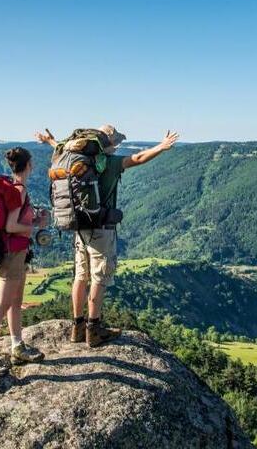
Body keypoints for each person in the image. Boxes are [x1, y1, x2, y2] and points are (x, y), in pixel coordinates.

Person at [36, 125, 179, 347]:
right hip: (101, 229)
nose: (117, 146)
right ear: (108, 144)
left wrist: (50, 141)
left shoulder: (75, 158)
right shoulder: (109, 163)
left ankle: (77, 326)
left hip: (78, 225)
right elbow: (139, 158)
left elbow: (61, 147)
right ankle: (94, 329)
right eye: (116, 143)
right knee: (99, 279)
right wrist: (162, 146)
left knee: (80, 276)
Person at [0, 147, 47, 375]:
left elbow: (14, 220)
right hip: (11, 255)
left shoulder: (15, 189)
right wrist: (35, 225)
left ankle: (17, 345)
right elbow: (11, 226)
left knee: (16, 302)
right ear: (28, 165)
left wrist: (35, 218)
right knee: (2, 305)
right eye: (32, 162)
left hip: (18, 253)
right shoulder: (18, 191)